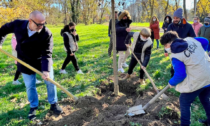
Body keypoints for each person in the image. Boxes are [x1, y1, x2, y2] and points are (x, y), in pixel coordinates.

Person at [0, 11, 62, 120]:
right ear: (30, 21)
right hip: (24, 61)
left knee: (50, 82)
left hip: (41, 61)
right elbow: (3, 30)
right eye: (38, 24)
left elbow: (47, 53)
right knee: (30, 85)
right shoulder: (18, 24)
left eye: (43, 24)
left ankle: (53, 103)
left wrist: (46, 71)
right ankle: (33, 106)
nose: (41, 27)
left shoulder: (46, 33)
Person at [160, 31, 210, 126]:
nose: (165, 48)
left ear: (170, 43)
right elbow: (205, 41)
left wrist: (171, 82)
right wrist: (200, 56)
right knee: (205, 99)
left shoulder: (176, 56)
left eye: (165, 45)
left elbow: (180, 75)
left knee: (184, 102)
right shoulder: (190, 40)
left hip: (198, 80)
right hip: (208, 75)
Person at [165, 8, 196, 77]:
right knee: (174, 64)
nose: (175, 19)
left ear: (181, 18)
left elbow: (193, 37)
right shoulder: (171, 26)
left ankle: (185, 77)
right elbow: (167, 38)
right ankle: (173, 77)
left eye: (177, 18)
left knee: (186, 65)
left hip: (186, 48)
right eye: (174, 18)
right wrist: (166, 50)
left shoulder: (188, 26)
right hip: (174, 48)